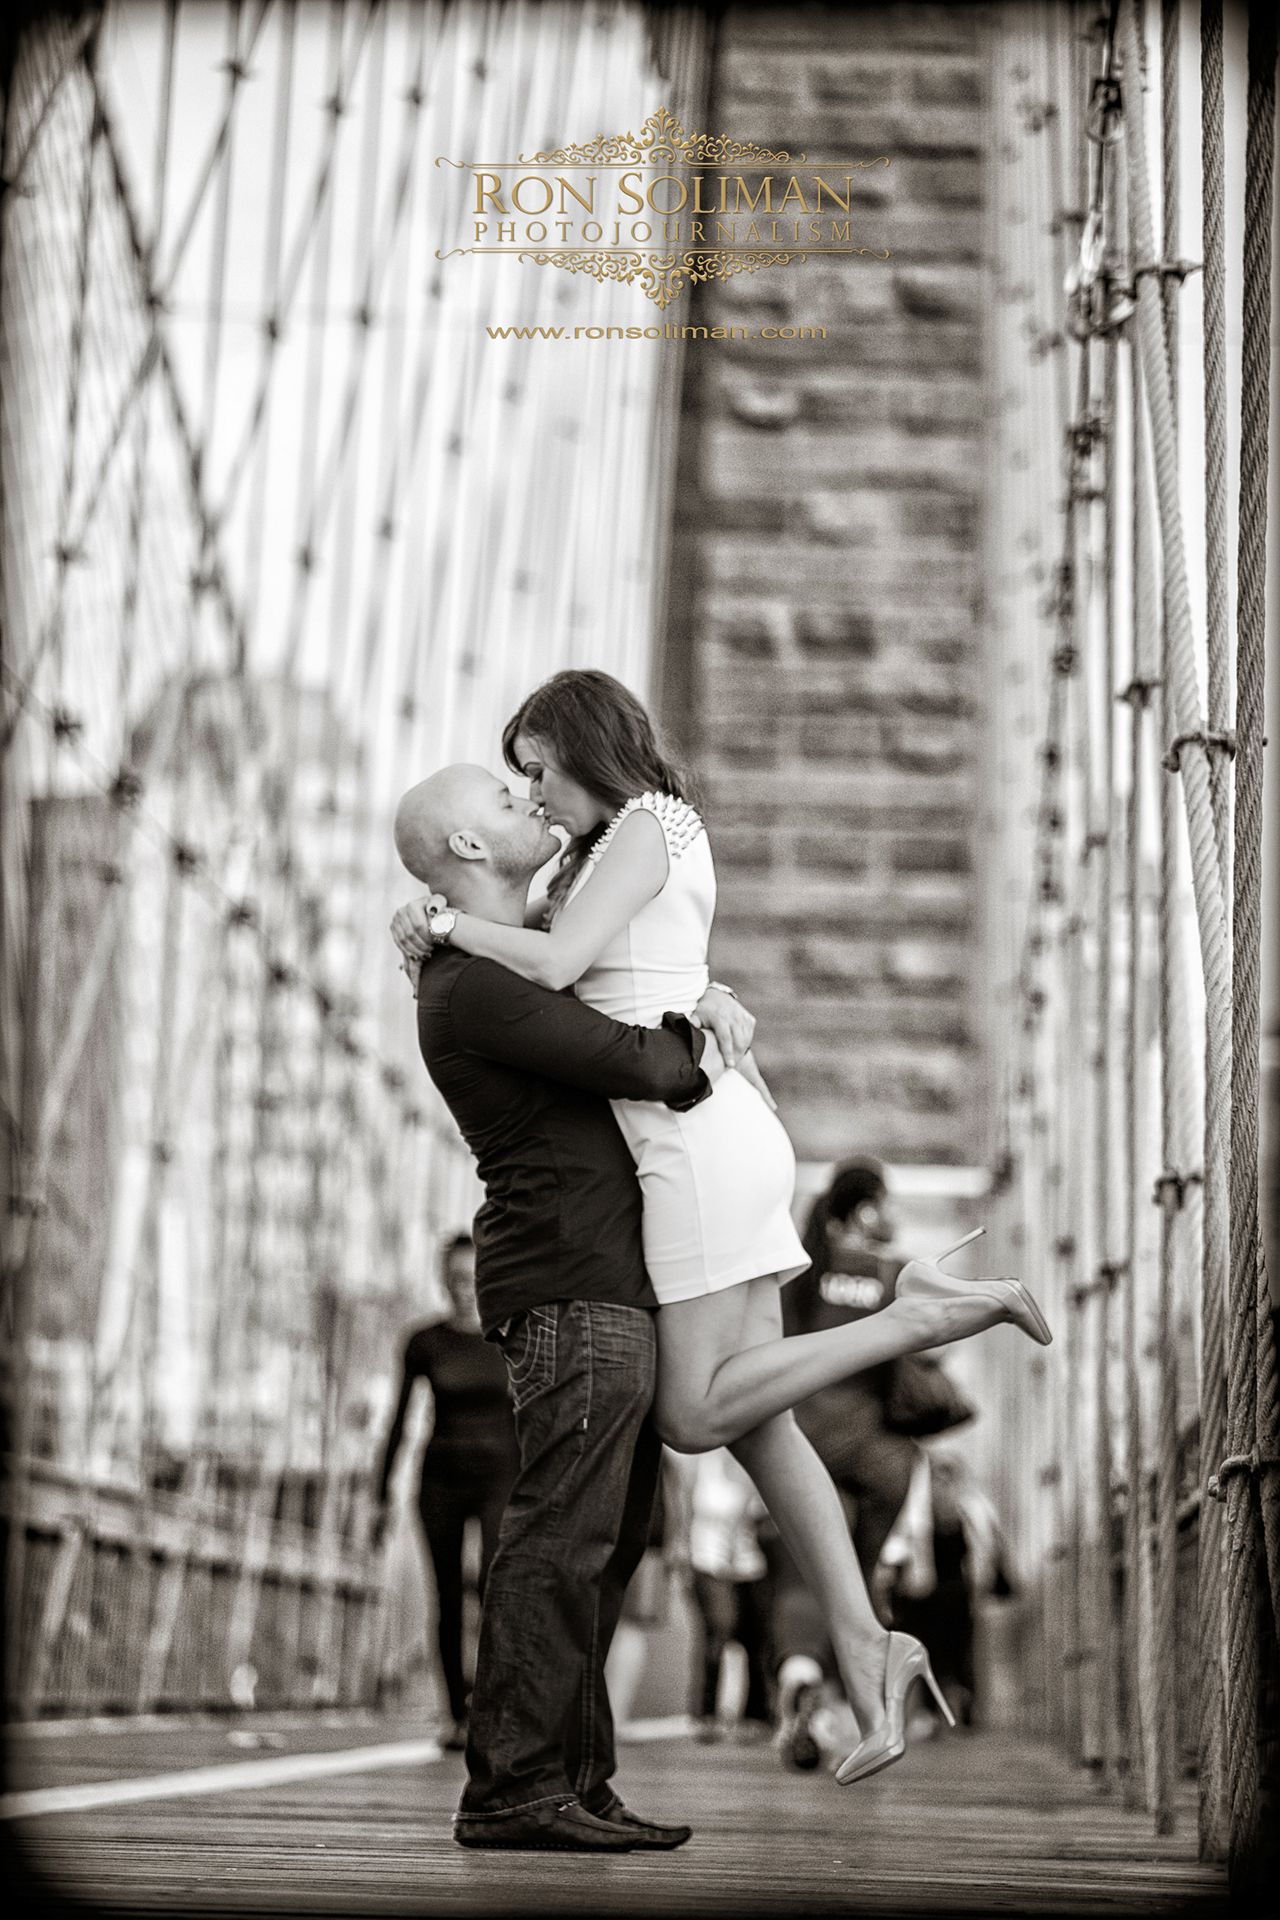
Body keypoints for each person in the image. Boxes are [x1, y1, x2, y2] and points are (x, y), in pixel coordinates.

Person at [392, 671, 1052, 1788]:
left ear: (584, 745)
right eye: (513, 790)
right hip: (700, 1133)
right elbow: (636, 968)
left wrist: (446, 919)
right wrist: (705, 990)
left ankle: (913, 1316)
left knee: (694, 1414)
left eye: (536, 771)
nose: (533, 797)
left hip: (691, 1138)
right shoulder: (601, 855)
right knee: (761, 1427)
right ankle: (865, 1645)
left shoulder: (648, 822)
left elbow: (561, 971)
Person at [393, 763, 747, 1852]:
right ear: (464, 850)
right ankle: (511, 1789)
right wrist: (707, 1023)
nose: (532, 806)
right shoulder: (481, 985)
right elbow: (650, 1065)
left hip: (598, 1276)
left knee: (604, 1539)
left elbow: (624, 995)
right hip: (568, 1282)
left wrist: (705, 993)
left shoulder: (512, 963)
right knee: (560, 1536)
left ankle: (575, 1782)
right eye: (505, 802)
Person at [374, 1234, 519, 1750]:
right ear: (443, 1281)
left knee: (496, 1589)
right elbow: (397, 1420)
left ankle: (496, 1705)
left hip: (502, 1475)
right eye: (454, 1280)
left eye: (473, 1279)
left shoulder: (514, 1336)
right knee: (446, 1596)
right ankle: (456, 1714)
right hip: (439, 1479)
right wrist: (381, 1492)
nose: (464, 1290)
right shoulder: (425, 1342)